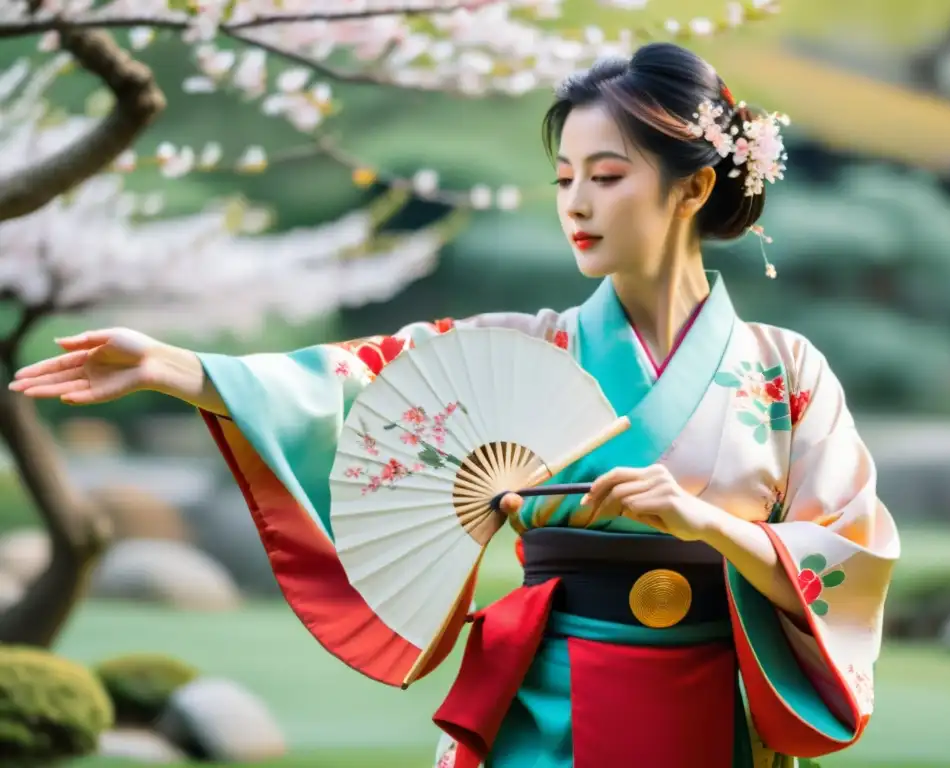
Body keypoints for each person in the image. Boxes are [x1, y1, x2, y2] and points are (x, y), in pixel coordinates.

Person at [11, 42, 898, 768]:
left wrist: (707, 525)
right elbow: (362, 382)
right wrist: (184, 368)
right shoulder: (525, 349)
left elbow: (850, 556)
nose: (577, 205)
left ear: (693, 186)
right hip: (540, 713)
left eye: (607, 176)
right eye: (563, 181)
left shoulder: (787, 372)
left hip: (716, 714)